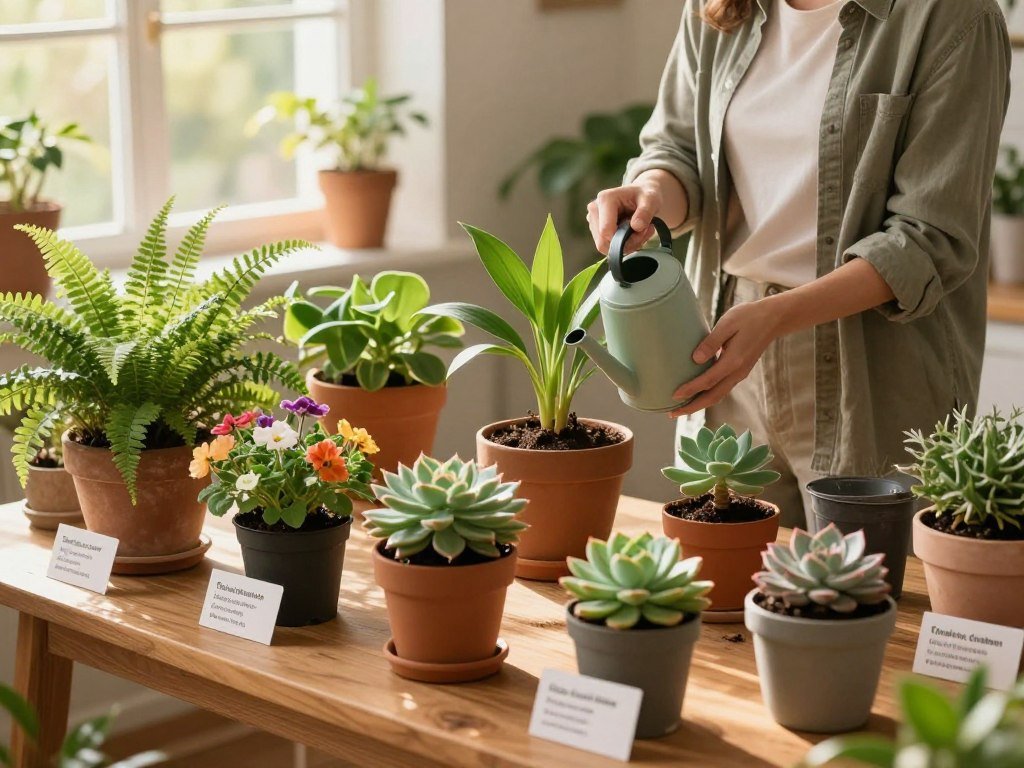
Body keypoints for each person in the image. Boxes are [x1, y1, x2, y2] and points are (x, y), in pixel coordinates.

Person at [587, 0, 1011, 527]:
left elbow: (929, 239)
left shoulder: (951, 16)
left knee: (868, 597)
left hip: (875, 370)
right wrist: (648, 196)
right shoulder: (719, 7)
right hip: (725, 341)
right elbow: (677, 150)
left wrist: (779, 316)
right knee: (725, 596)